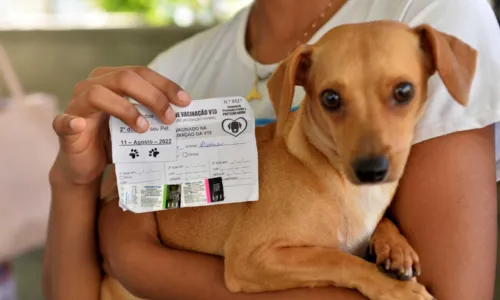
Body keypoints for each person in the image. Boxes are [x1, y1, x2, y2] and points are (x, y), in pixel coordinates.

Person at [43, 0, 500, 299]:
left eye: (400, 95)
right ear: (299, 91)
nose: (373, 142)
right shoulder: (170, 73)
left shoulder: (431, 12)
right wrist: (72, 180)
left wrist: (146, 265)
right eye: (334, 101)